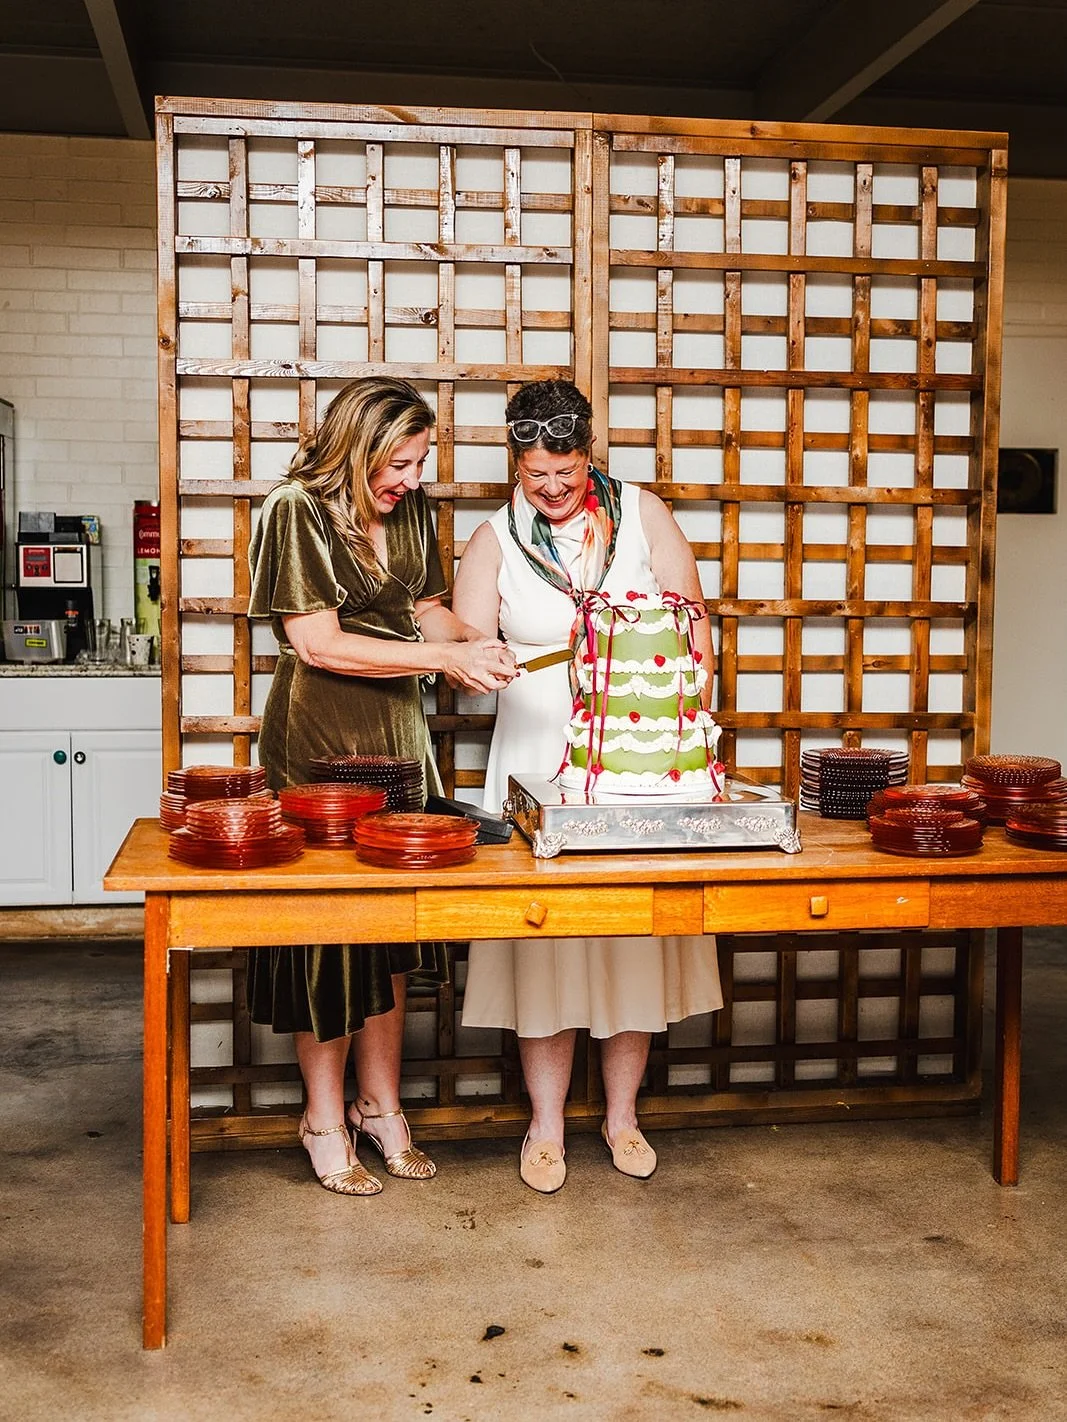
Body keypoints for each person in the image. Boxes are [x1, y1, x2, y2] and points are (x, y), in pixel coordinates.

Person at [248, 376, 517, 1196]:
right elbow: (320, 644)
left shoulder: (412, 513)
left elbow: (426, 611)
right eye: (397, 462)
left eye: (419, 460)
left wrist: (480, 643)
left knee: (394, 935)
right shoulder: (294, 509)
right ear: (355, 449)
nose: (409, 477)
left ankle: (381, 1106)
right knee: (328, 937)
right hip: (321, 739)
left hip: (400, 743)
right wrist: (444, 660)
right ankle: (322, 1118)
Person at [453, 378, 723, 1193]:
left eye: (565, 472)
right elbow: (464, 654)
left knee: (629, 944)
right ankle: (543, 1125)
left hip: (635, 772)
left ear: (588, 452)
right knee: (544, 949)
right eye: (537, 475)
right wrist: (476, 659)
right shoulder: (493, 536)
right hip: (534, 766)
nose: (553, 488)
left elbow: (692, 621)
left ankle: (621, 1116)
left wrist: (676, 689)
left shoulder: (643, 513)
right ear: (517, 461)